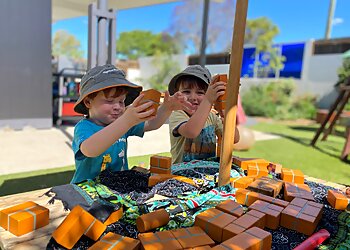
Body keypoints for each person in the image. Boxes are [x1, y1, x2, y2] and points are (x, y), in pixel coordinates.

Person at [71, 64, 192, 183]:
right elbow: (90, 150)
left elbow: (151, 124)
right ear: (88, 102)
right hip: (87, 191)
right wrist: (126, 121)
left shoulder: (122, 121)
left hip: (117, 187)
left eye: (121, 101)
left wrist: (167, 108)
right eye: (109, 101)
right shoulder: (84, 127)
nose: (117, 107)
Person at [168, 65, 240, 164]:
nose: (193, 97)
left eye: (200, 93)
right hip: (182, 174)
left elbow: (234, 139)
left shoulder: (212, 117)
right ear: (177, 94)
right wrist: (208, 100)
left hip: (207, 173)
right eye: (186, 92)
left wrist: (225, 115)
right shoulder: (178, 114)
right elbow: (191, 131)